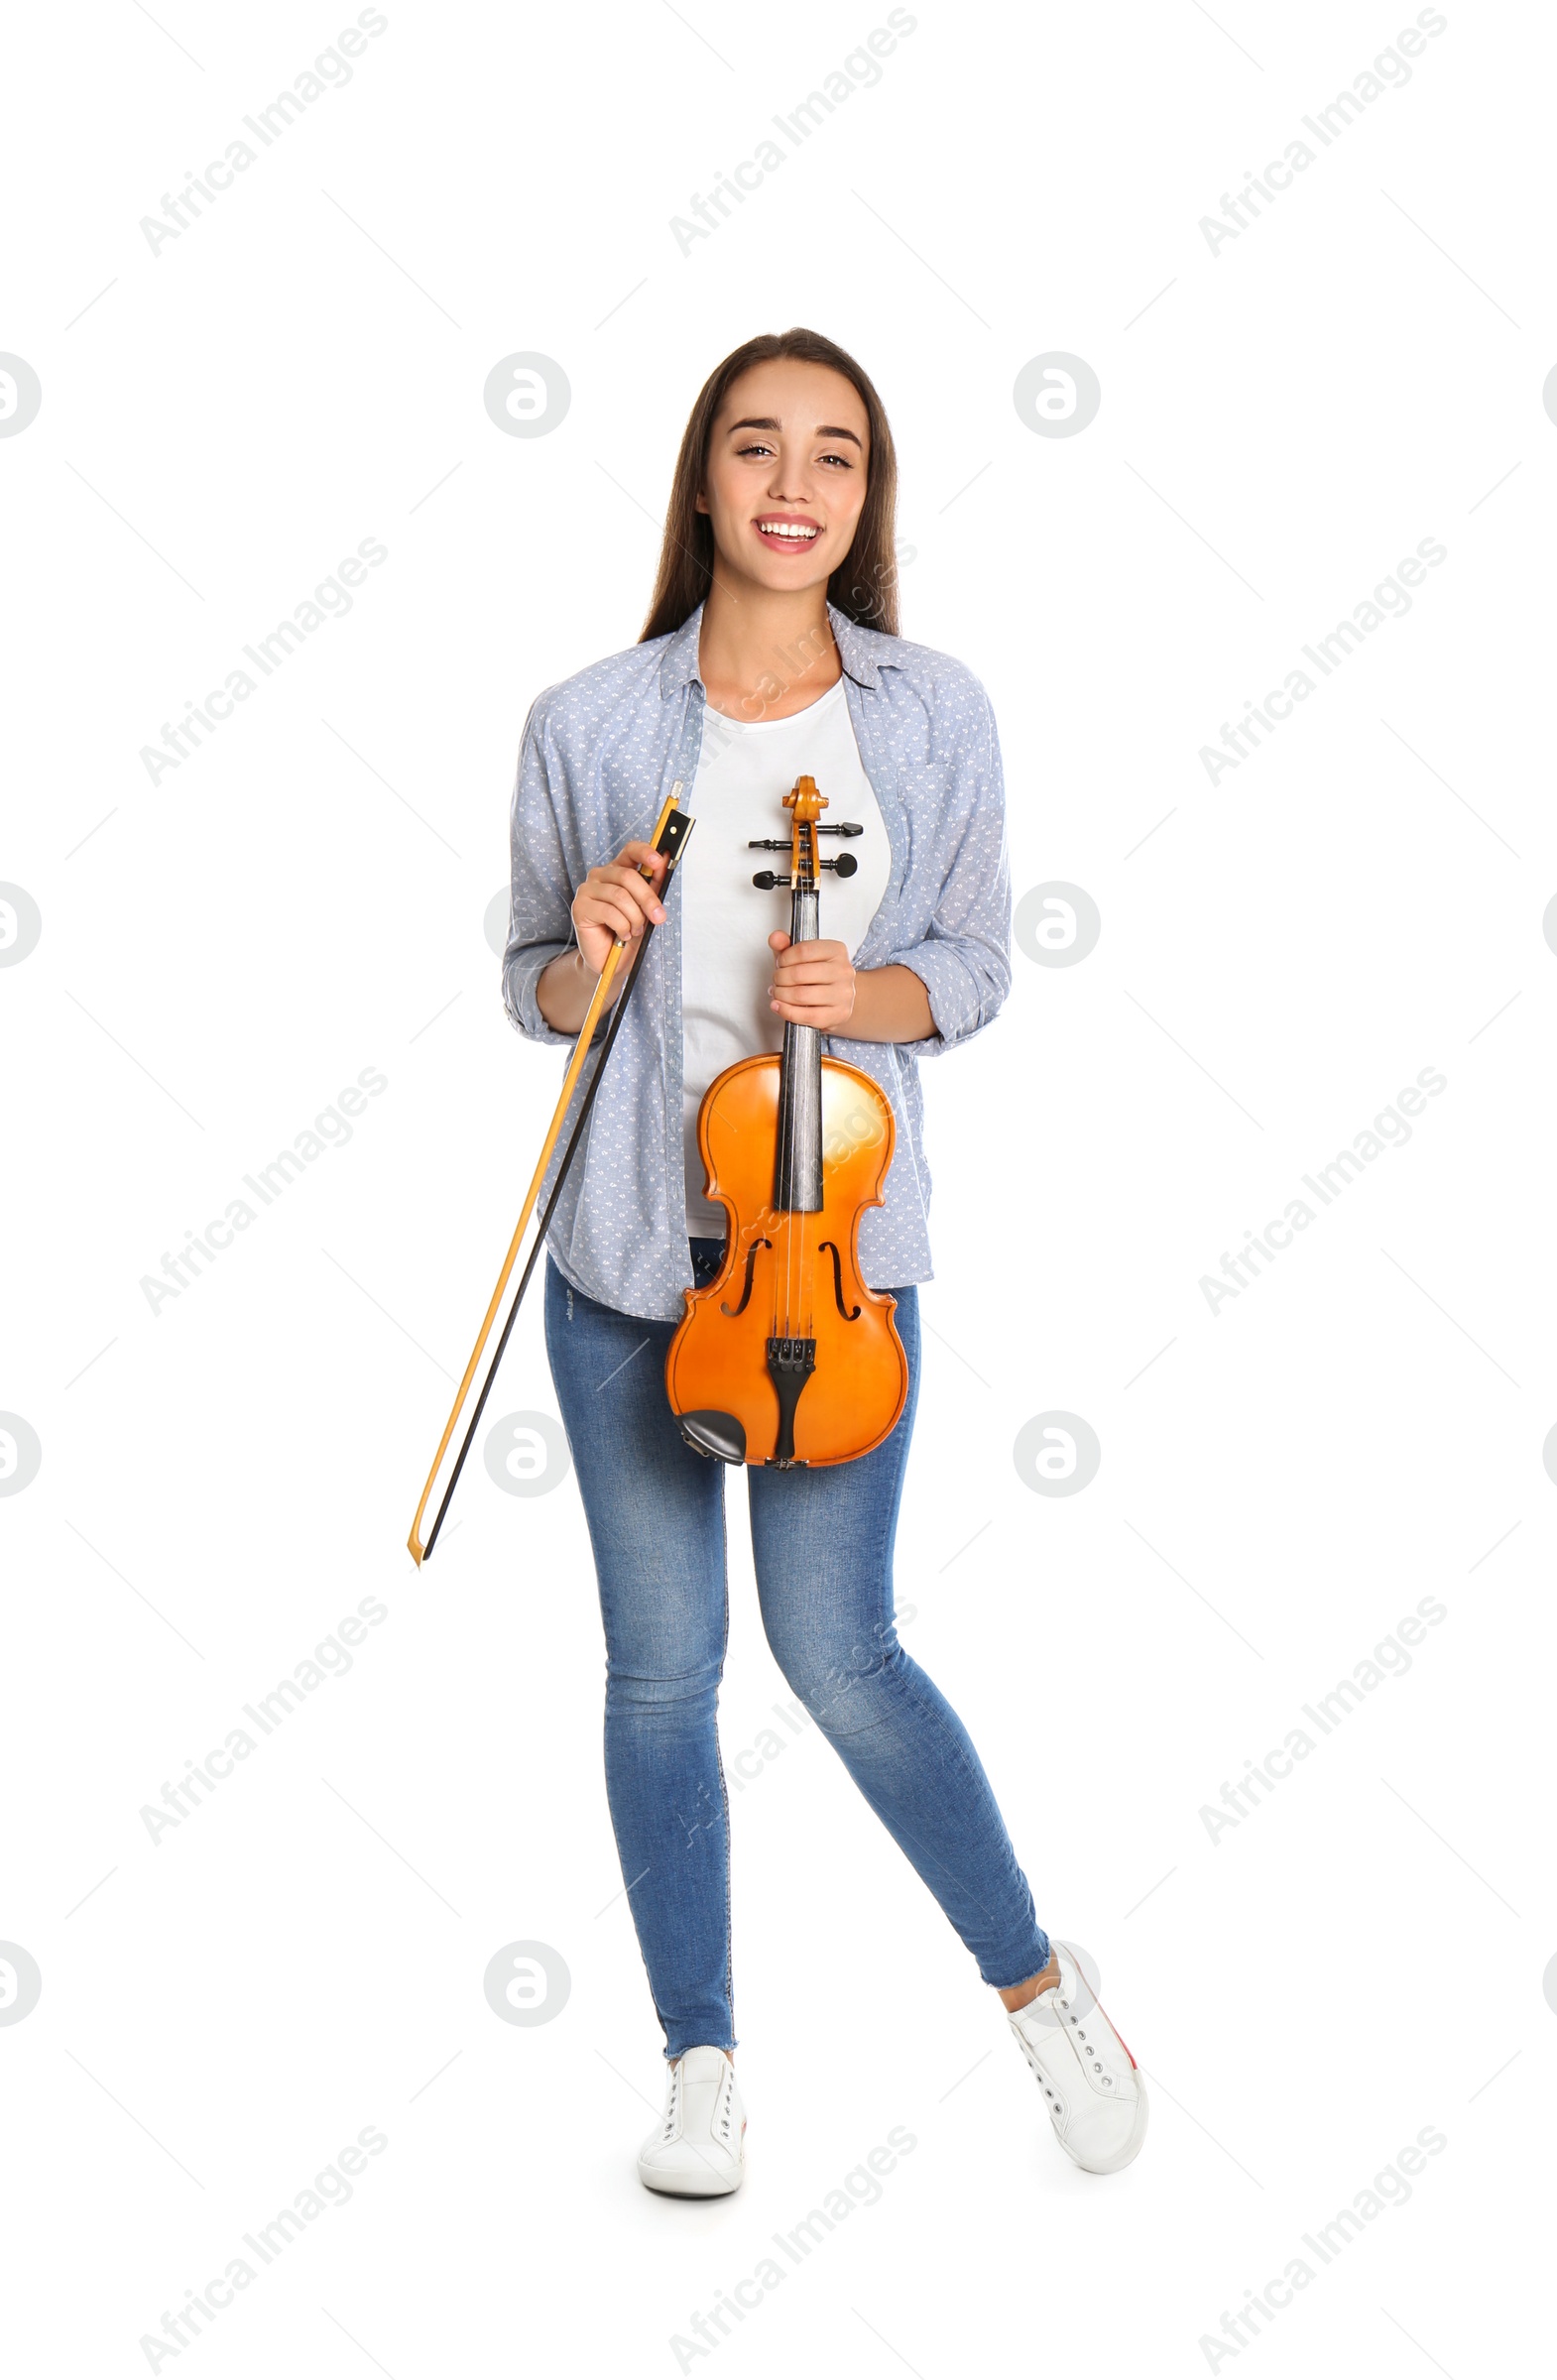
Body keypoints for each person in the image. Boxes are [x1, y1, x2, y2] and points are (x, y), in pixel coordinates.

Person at [503, 328, 1146, 2195]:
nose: (796, 484)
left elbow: (974, 963)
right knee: (658, 1672)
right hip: (632, 1257)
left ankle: (1042, 1995)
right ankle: (700, 2058)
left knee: (840, 1651)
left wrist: (855, 990)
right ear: (704, 477)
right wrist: (587, 953)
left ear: (865, 500)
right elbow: (534, 992)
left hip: (831, 1253)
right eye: (758, 447)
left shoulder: (931, 711)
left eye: (837, 457)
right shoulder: (591, 721)